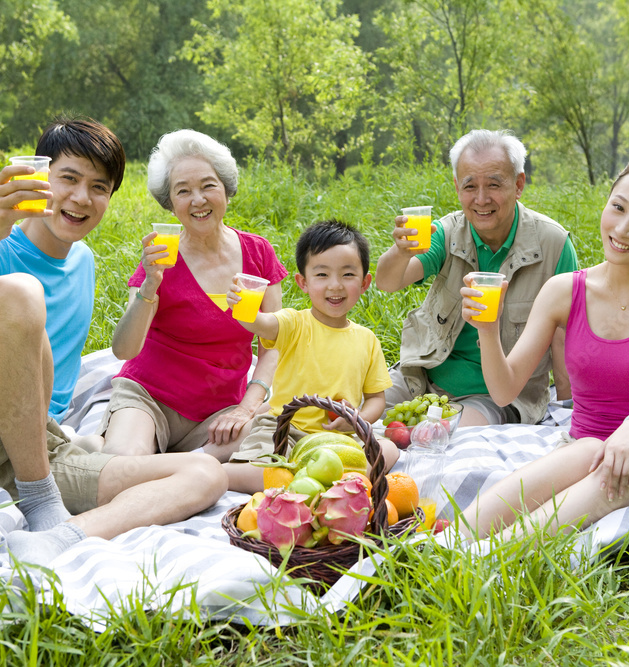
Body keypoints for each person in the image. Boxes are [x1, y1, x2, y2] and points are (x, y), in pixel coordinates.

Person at [0, 117, 227, 568]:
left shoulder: (83, 261)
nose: (82, 198)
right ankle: (42, 498)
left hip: (38, 450)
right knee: (20, 292)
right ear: (41, 179)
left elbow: (115, 353)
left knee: (204, 473)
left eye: (99, 187)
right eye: (69, 178)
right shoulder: (0, 247)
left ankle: (59, 538)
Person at [461, 155, 629, 541]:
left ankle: (490, 558)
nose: (623, 229)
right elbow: (504, 390)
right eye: (618, 207)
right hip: (582, 448)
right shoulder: (564, 290)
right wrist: (488, 330)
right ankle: (440, 547)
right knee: (590, 449)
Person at [98, 129, 287, 460]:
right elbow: (124, 349)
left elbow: (273, 345)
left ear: (226, 190)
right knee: (123, 465)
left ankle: (165, 463)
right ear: (170, 204)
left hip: (221, 412)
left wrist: (246, 408)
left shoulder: (258, 253)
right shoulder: (160, 259)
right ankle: (154, 458)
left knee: (275, 443)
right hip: (149, 398)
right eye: (183, 191)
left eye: (208, 186)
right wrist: (149, 288)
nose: (198, 199)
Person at [375, 129, 579, 427]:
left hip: (497, 396)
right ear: (457, 187)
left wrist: (567, 413)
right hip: (422, 376)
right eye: (470, 186)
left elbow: (564, 339)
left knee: (439, 437)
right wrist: (401, 251)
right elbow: (388, 282)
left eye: (494, 184)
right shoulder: (444, 233)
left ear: (519, 184)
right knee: (354, 415)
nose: (482, 199)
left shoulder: (554, 245)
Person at [224, 219, 398, 493]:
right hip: (284, 429)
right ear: (303, 282)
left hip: (336, 438)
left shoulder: (367, 340)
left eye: (348, 275)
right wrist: (244, 309)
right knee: (266, 473)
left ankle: (308, 478)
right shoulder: (294, 323)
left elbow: (376, 399)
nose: (335, 286)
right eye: (322, 275)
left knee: (389, 450)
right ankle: (222, 474)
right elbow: (263, 324)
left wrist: (357, 418)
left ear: (365, 283)